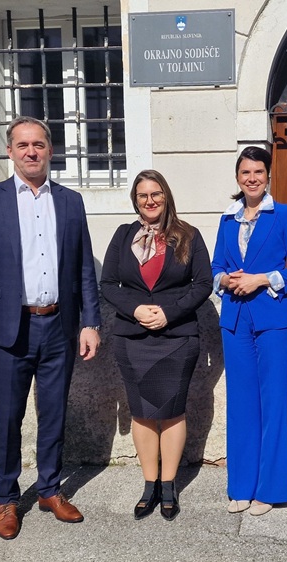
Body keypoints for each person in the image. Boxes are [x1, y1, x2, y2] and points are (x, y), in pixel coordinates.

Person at [0, 116, 101, 540]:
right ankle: (6, 498)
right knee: (8, 416)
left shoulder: (70, 202)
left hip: (59, 325)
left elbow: (83, 269)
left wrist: (90, 322)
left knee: (54, 413)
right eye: (23, 145)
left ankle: (49, 490)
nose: (31, 152)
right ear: (10, 151)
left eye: (38, 144)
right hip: (9, 329)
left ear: (50, 150)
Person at [101, 170, 212, 521]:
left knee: (172, 411)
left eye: (156, 194)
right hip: (133, 337)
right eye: (143, 195)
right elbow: (108, 284)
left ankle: (169, 485)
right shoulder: (123, 236)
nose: (150, 201)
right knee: (142, 412)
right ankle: (149, 485)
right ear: (135, 201)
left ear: (166, 196)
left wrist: (169, 313)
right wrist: (134, 309)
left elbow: (203, 283)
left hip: (176, 338)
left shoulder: (188, 235)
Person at [211, 146, 287, 516]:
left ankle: (269, 490)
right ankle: (240, 486)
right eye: (245, 172)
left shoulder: (284, 215)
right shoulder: (227, 219)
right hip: (234, 321)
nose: (251, 178)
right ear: (238, 178)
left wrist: (261, 279)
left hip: (272, 322)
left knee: (272, 404)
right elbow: (215, 267)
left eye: (258, 172)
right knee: (240, 404)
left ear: (268, 175)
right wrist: (225, 280)